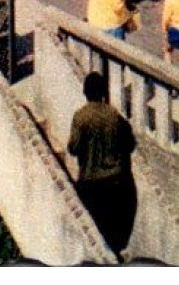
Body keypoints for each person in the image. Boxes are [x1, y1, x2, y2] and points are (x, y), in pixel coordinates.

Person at [67, 71, 138, 258]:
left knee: (97, 232)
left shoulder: (80, 117)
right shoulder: (115, 116)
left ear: (85, 92)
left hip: (91, 183)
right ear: (103, 92)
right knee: (113, 233)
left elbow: (73, 148)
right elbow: (130, 144)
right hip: (116, 182)